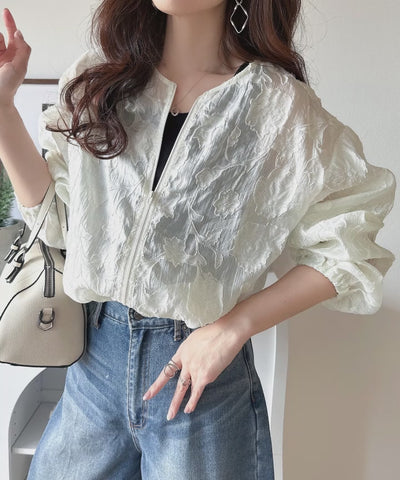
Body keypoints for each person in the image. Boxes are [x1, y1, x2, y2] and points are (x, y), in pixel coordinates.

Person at [0, 1, 396, 479]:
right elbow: (58, 223)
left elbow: (350, 246)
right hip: (93, 363)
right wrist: (3, 109)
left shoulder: (278, 109)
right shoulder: (101, 82)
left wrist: (234, 327)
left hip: (199, 385)